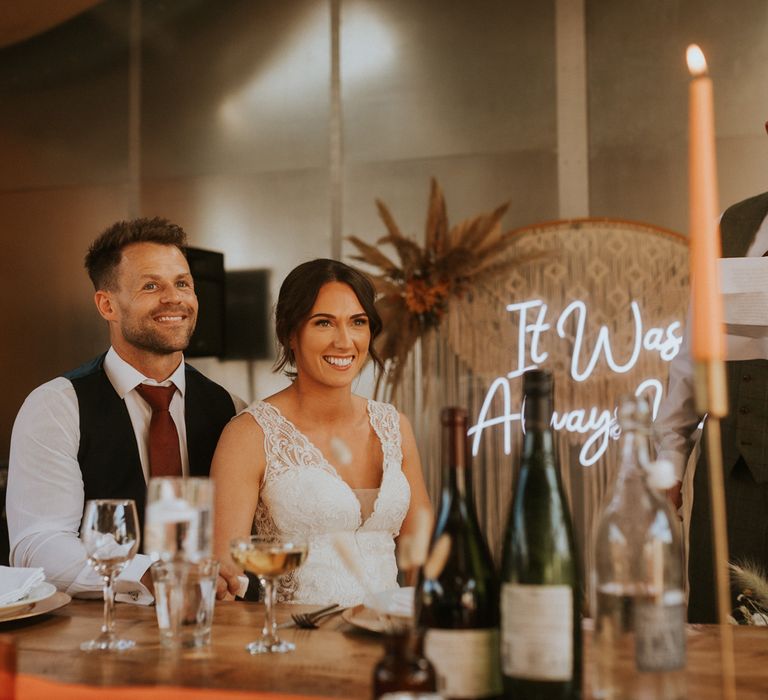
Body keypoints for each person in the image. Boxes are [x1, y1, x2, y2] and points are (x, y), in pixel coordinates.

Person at [7, 217, 243, 602]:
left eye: (183, 283)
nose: (174, 298)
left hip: (210, 625)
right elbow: (38, 544)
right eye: (151, 285)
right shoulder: (56, 407)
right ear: (107, 305)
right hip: (97, 636)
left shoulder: (230, 408)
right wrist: (146, 575)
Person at [212, 258, 432, 606]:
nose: (344, 341)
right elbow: (224, 575)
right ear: (289, 334)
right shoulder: (249, 434)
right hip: (296, 643)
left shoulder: (394, 426)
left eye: (357, 322)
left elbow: (422, 554)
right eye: (324, 323)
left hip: (389, 640)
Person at [656, 125, 768, 623]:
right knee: (723, 631)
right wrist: (670, 456)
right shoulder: (734, 223)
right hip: (734, 470)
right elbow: (693, 348)